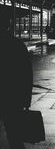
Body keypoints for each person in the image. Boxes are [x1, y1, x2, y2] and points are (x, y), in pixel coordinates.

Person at [0, 12, 33, 149]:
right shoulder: (17, 45)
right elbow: (26, 74)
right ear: (8, 26)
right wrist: (26, 98)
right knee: (14, 136)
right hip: (12, 98)